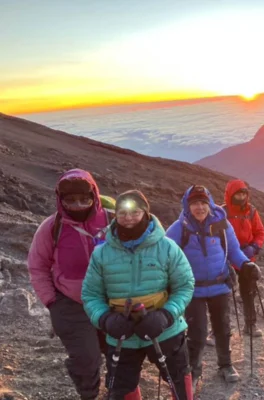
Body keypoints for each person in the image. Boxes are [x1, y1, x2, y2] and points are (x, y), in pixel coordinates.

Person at [82, 190, 195, 400]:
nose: (129, 217)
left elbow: (185, 285)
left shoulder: (167, 248)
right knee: (122, 387)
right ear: (115, 215)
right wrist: (106, 320)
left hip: (165, 330)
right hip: (121, 334)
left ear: (146, 213)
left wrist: (166, 315)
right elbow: (90, 294)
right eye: (123, 212)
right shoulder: (101, 253)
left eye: (135, 211)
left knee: (178, 377)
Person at [27, 169, 111, 400]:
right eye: (71, 200)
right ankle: (89, 395)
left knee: (118, 353)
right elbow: (37, 266)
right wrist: (52, 302)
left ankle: (118, 392)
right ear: (60, 199)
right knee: (86, 357)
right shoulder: (51, 228)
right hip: (71, 303)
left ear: (95, 195)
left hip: (111, 300)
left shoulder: (111, 221)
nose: (78, 205)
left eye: (84, 199)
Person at [166, 185, 260, 387]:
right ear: (187, 206)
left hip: (220, 285)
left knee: (223, 329)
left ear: (209, 204)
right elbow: (164, 253)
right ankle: (194, 370)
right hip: (192, 290)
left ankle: (225, 365)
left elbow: (234, 250)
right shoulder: (179, 227)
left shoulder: (221, 223)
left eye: (203, 203)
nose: (199, 207)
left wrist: (246, 265)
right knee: (197, 333)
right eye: (194, 204)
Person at [223, 179, 264, 337]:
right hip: (227, 259)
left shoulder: (252, 212)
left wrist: (254, 247)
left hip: (247, 258)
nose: (241, 197)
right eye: (238, 194)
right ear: (230, 194)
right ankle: (220, 329)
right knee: (223, 294)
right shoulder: (222, 213)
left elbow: (260, 232)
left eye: (243, 194)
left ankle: (250, 325)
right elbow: (215, 236)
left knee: (248, 292)